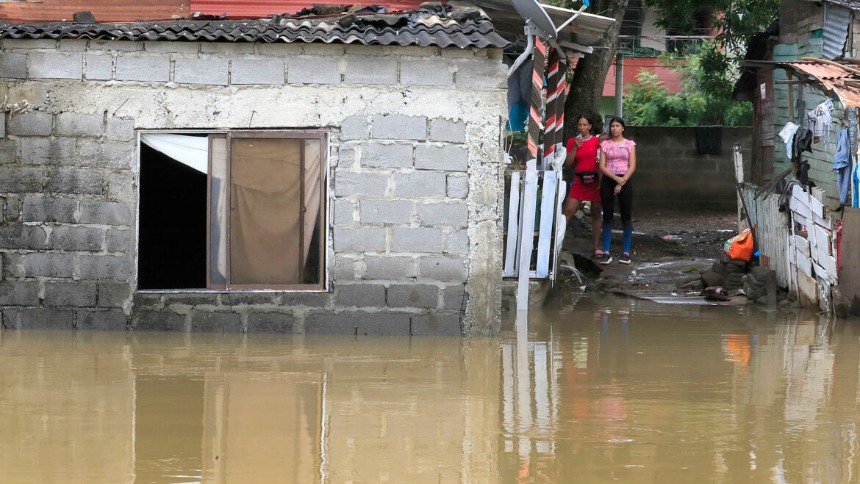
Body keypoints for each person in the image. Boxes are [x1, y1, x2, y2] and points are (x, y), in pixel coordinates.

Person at [597, 117, 636, 265]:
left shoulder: (630, 144)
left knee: (626, 215)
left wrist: (622, 180)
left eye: (617, 126)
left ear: (623, 128)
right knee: (607, 215)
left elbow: (632, 165)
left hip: (625, 179)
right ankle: (606, 252)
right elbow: (602, 166)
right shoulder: (605, 144)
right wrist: (615, 179)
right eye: (612, 126)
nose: (614, 128)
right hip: (609, 179)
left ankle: (626, 252)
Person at [563, 114, 603, 257]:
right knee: (568, 210)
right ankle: (558, 243)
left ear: (590, 126)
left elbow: (602, 159)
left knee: (596, 212)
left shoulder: (597, 141)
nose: (582, 127)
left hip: (595, 180)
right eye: (580, 125)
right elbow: (568, 164)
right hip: (579, 180)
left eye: (585, 125)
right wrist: (575, 147)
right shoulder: (572, 141)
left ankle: (596, 246)